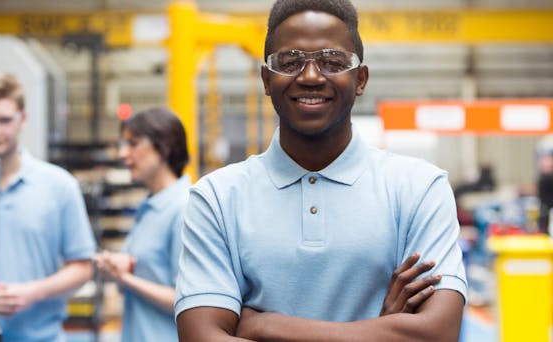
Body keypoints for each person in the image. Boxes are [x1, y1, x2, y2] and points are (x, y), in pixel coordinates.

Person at [175, 0, 468, 341]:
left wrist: (267, 326)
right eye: (290, 62)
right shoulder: (217, 198)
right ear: (266, 80)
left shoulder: (419, 188)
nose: (311, 76)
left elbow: (436, 334)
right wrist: (380, 329)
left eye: (332, 62)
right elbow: (201, 337)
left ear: (360, 79)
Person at [0, 72, 97, 342]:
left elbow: (83, 267)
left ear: (23, 119)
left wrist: (33, 292)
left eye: (4, 120)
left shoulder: (59, 186)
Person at [94, 107, 190, 342]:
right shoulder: (150, 207)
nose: (123, 154)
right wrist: (123, 266)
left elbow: (189, 301)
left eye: (133, 144)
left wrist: (124, 278)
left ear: (164, 147)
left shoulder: (184, 208)